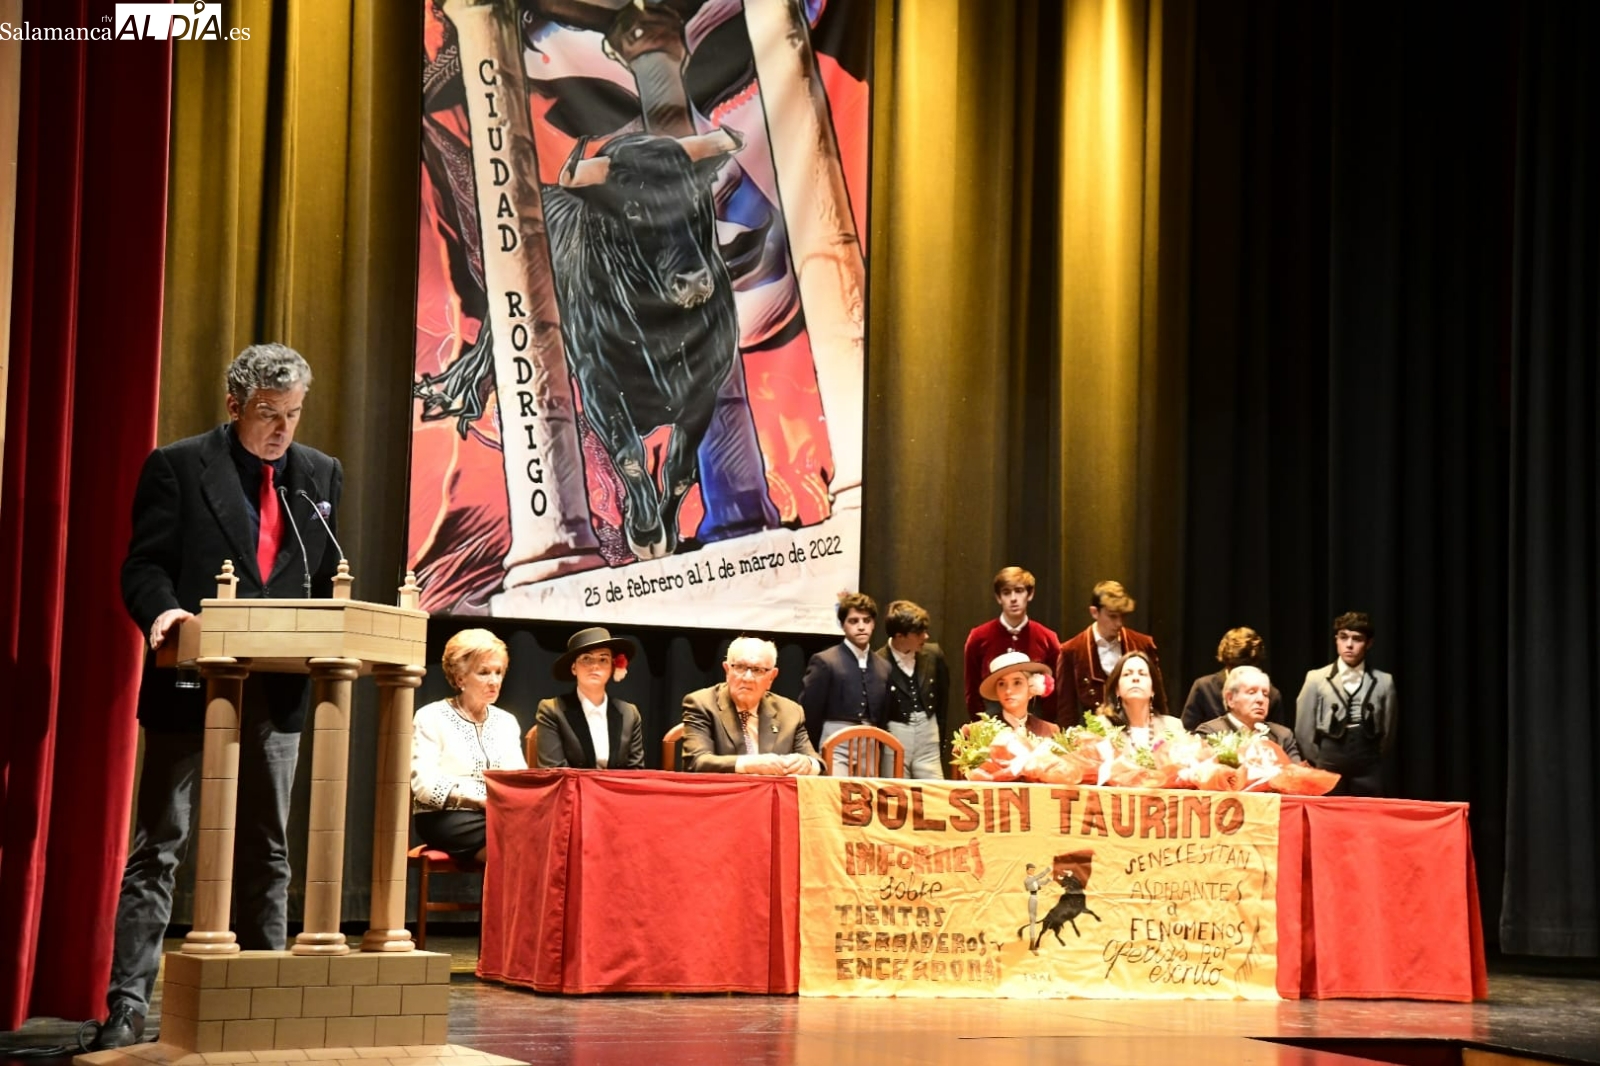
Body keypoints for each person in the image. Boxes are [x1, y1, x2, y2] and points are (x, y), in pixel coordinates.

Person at [99, 344, 343, 1050]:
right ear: (234, 405)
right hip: (190, 684)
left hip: (279, 691)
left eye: (293, 415)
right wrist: (164, 614)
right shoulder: (177, 466)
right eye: (269, 414)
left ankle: (263, 1004)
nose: (282, 429)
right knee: (162, 847)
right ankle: (127, 1009)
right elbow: (144, 565)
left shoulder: (319, 477)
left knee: (269, 853)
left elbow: (327, 575)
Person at [411, 629, 528, 863]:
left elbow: (518, 779)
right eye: (484, 673)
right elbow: (423, 784)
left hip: (497, 815)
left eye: (498, 672)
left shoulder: (506, 722)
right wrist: (476, 801)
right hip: (445, 817)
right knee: (512, 836)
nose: (494, 681)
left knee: (531, 834)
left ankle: (504, 899)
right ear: (460, 678)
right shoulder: (431, 717)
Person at [681, 636, 821, 774]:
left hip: (771, 795)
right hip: (724, 794)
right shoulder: (701, 704)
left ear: (771, 677)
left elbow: (816, 762)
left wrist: (807, 763)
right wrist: (750, 764)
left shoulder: (791, 712)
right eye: (740, 667)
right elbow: (696, 762)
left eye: (757, 670)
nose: (747, 678)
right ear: (727, 670)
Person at [1294, 612, 1396, 796]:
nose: (1349, 645)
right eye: (1343, 637)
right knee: (1329, 815)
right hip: (1328, 762)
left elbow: (1388, 730)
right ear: (1336, 640)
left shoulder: (1384, 682)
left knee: (1369, 815)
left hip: (1368, 764)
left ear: (1369, 643)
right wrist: (1320, 760)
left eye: (1357, 639)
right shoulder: (1316, 678)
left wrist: (1371, 754)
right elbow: (1303, 729)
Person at [800, 592, 891, 775]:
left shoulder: (883, 666)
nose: (861, 627)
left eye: (866, 620)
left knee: (867, 794)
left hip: (870, 740)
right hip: (835, 736)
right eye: (854, 621)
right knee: (834, 791)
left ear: (873, 623)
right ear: (842, 625)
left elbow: (884, 714)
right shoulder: (825, 661)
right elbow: (810, 709)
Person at [1056, 579, 1169, 724]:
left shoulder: (1143, 644)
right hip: (1092, 737)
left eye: (1122, 616)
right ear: (1094, 612)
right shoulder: (1072, 650)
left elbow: (1159, 698)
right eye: (1112, 616)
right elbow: (1066, 711)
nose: (1119, 623)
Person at [535, 626, 645, 769]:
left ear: (612, 667)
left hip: (616, 791)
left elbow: (636, 772)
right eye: (586, 658)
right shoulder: (552, 710)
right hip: (573, 791)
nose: (595, 666)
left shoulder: (630, 713)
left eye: (603, 659)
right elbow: (554, 772)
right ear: (574, 667)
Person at [962, 566, 1061, 721]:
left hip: (1035, 722)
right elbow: (972, 691)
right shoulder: (978, 637)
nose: (1013, 598)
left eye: (1019, 591)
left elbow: (1055, 693)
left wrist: (1044, 727)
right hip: (992, 722)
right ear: (998, 597)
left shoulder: (1047, 638)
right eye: (1006, 592)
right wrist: (981, 727)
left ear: (1030, 594)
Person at [875, 600, 949, 779]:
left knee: (935, 793)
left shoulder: (934, 655)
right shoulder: (877, 663)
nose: (925, 637)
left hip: (928, 738)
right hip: (896, 738)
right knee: (895, 795)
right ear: (900, 636)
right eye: (919, 633)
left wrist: (938, 736)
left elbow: (943, 701)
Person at [1180, 627, 1288, 730]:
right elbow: (1187, 734)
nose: (1240, 675)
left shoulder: (1272, 695)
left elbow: (1277, 738)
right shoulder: (1204, 688)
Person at [1195, 665, 1305, 763]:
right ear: (1230, 699)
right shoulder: (1210, 733)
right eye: (1251, 692)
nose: (1261, 699)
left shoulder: (1282, 736)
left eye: (1265, 694)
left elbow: (1297, 775)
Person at [1097, 651, 1185, 746]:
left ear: (1153, 689)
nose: (1135, 678)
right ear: (1117, 689)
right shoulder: (1102, 727)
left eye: (1142, 674)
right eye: (1127, 674)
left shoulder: (1173, 726)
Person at [979, 651, 1058, 740]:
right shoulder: (976, 732)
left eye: (1017, 683)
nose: (1008, 691)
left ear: (1032, 687)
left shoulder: (1050, 731)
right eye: (1001, 684)